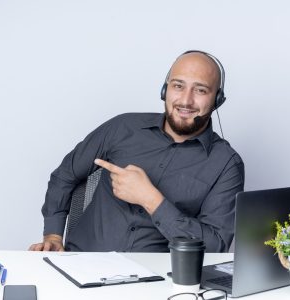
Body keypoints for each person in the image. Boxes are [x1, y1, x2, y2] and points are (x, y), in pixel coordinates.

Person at [29, 50, 244, 253]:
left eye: (200, 90)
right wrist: (53, 235)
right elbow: (65, 175)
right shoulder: (122, 128)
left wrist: (151, 200)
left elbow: (216, 245)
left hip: (158, 282)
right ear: (164, 90)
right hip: (82, 263)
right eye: (178, 86)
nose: (186, 100)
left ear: (218, 100)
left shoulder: (226, 164)